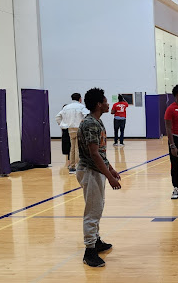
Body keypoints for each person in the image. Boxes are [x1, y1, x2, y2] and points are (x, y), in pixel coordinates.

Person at [76, 87, 122, 268]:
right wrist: (109, 177)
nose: (108, 104)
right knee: (93, 211)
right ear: (98, 104)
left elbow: (101, 153)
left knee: (98, 207)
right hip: (90, 171)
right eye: (105, 101)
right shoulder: (91, 124)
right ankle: (89, 251)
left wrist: (111, 169)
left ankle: (96, 240)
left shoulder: (97, 122)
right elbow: (94, 154)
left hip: (97, 170)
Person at [55, 93, 89, 174]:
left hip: (70, 129)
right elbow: (87, 115)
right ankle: (77, 166)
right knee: (78, 148)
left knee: (72, 148)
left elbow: (57, 117)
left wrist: (63, 125)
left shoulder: (66, 107)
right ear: (80, 99)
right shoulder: (81, 106)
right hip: (79, 129)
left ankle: (72, 167)